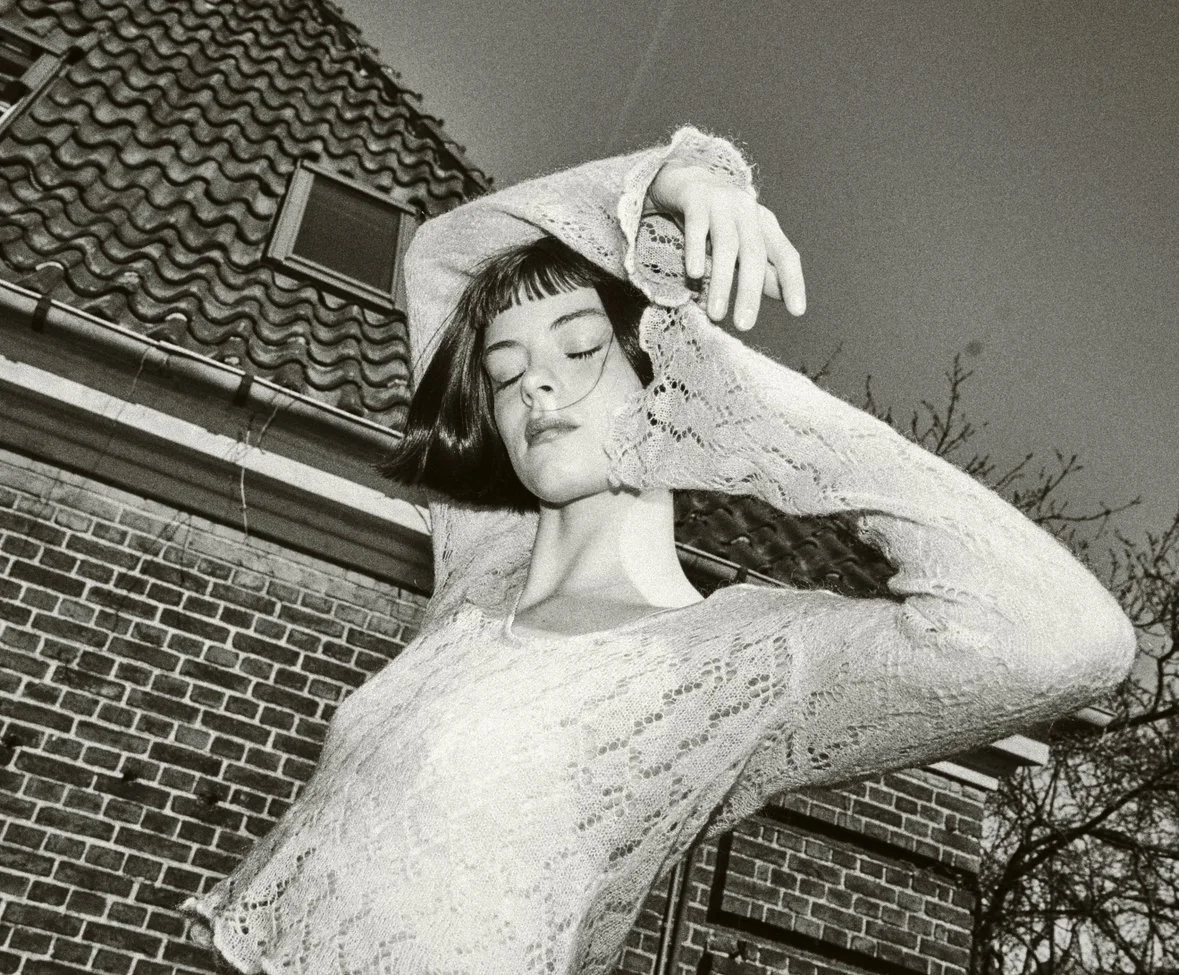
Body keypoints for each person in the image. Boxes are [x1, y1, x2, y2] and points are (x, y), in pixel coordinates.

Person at [182, 127, 1136, 975]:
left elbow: (1067, 639)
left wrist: (758, 423)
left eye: (581, 348)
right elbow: (441, 254)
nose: (535, 389)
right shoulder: (483, 573)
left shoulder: (738, 664)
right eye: (505, 372)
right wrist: (674, 174)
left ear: (671, 380)